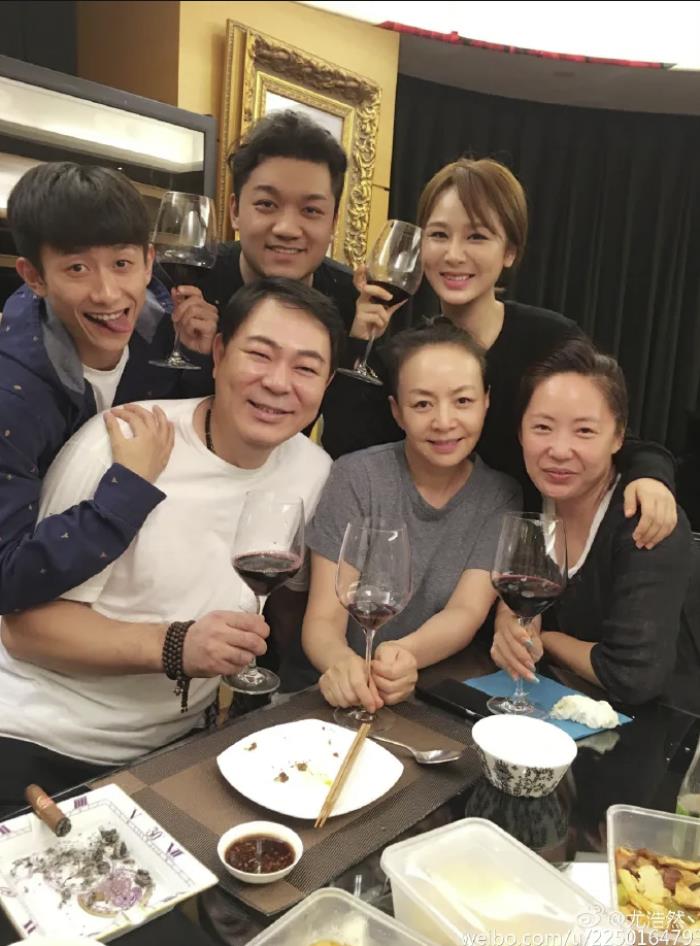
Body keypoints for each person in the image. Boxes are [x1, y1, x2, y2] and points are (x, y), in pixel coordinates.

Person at [0, 277, 344, 815]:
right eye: (259, 355)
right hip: (40, 742)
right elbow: (24, 630)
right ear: (219, 353)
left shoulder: (313, 471)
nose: (278, 383)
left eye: (306, 368)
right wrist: (176, 646)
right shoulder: (123, 446)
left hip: (181, 750)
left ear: (327, 384)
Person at [330, 157, 678, 551]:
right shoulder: (410, 354)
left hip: (531, 549)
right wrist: (360, 341)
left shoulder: (551, 339)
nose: (454, 254)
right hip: (429, 551)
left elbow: (610, 435)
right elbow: (349, 449)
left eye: (477, 237)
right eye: (439, 235)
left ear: (509, 251)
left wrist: (651, 475)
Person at [0, 162, 218, 615]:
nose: (107, 293)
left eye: (122, 264)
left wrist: (200, 362)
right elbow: (7, 575)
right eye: (77, 268)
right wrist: (128, 485)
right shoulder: (12, 396)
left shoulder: (163, 334)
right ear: (34, 277)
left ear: (149, 262)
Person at [301, 320, 521, 713]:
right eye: (422, 404)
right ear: (397, 411)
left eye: (463, 401)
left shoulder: (500, 495)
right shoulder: (356, 477)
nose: (444, 421)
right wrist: (343, 664)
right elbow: (323, 618)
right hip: (333, 691)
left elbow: (466, 611)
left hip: (426, 693)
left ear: (486, 401)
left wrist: (403, 656)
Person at [176, 109, 406, 456]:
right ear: (235, 210)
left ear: (333, 222)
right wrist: (194, 355)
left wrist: (357, 347)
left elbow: (358, 444)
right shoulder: (193, 282)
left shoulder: (355, 304)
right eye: (267, 204)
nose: (286, 228)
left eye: (311, 210)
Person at [490, 338, 700, 712]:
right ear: (520, 432)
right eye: (542, 427)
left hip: (661, 723)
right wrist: (510, 621)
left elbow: (632, 676)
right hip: (552, 704)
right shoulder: (523, 497)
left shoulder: (646, 522)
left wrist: (546, 638)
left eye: (584, 431)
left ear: (618, 437)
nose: (558, 450)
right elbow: (515, 586)